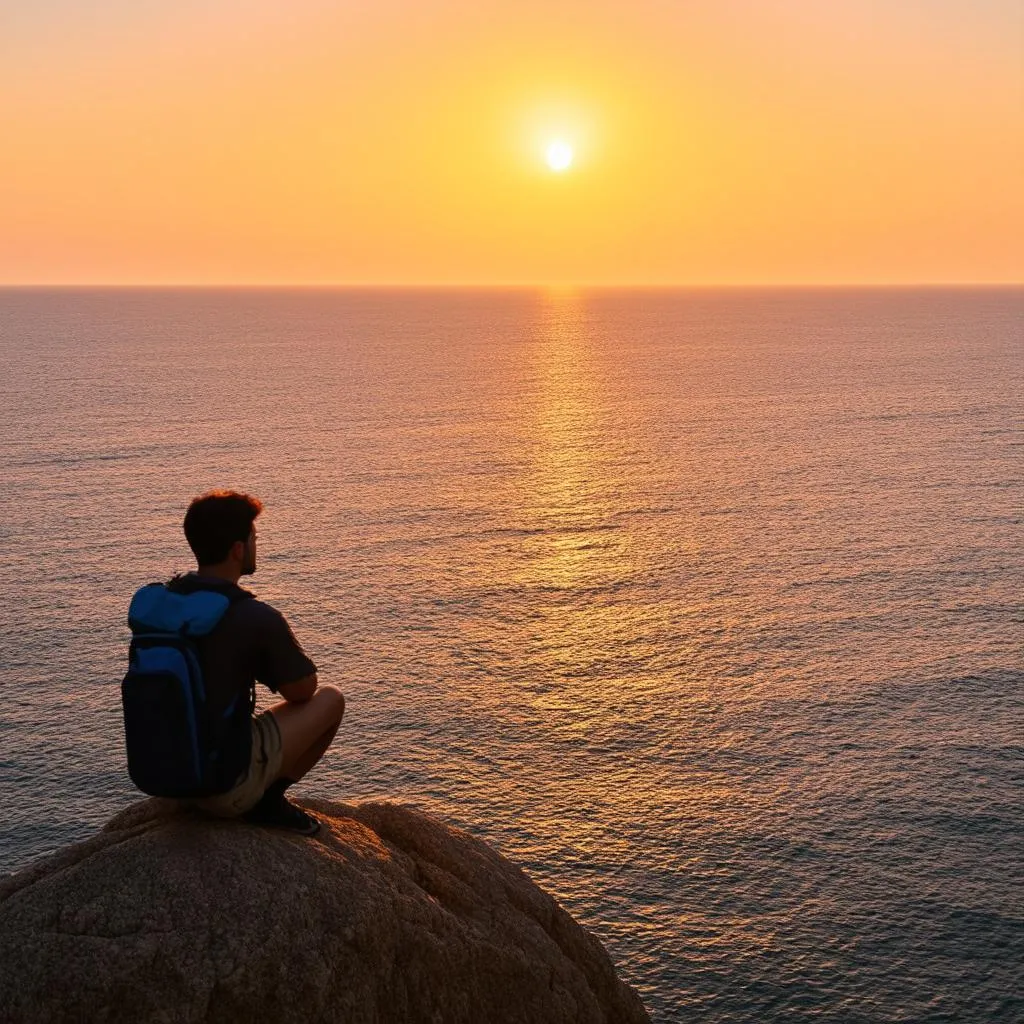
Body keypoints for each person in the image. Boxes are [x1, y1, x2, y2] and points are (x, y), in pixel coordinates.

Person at [171, 490, 345, 836]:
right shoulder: (252, 616)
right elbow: (302, 689)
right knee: (331, 699)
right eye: (254, 537)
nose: (256, 544)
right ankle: (265, 801)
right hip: (223, 787)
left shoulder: (165, 603)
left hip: (170, 778)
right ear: (238, 549)